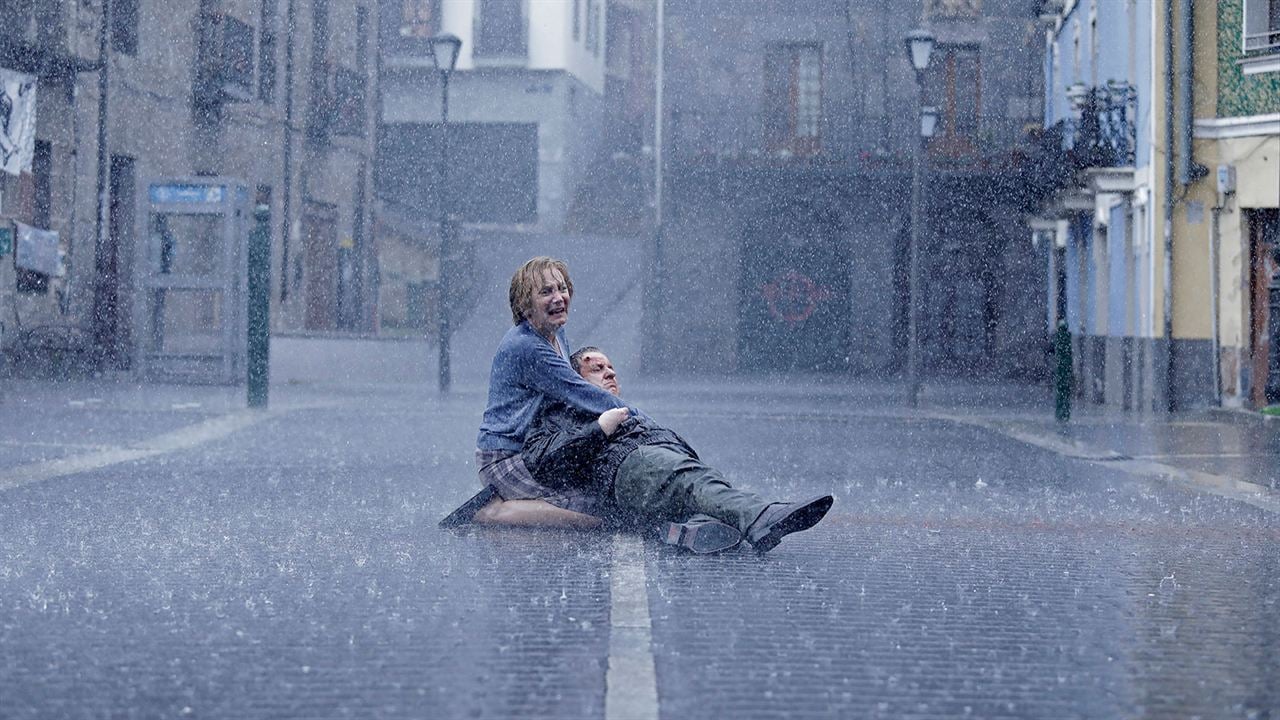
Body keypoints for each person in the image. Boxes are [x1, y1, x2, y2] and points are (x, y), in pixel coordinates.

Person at [520, 347, 833, 553]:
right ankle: (761, 517)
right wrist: (599, 428)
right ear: (573, 380)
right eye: (597, 368)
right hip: (627, 466)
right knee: (692, 482)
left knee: (700, 486)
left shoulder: (623, 409)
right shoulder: (564, 410)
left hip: (650, 468)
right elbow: (542, 460)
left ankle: (684, 529)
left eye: (611, 366)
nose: (610, 372)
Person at [439, 257, 634, 530]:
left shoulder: (557, 334)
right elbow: (579, 393)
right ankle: (492, 513)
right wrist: (635, 417)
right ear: (524, 305)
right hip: (506, 458)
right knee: (589, 514)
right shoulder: (528, 347)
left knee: (593, 493)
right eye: (545, 292)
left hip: (539, 451)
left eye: (562, 288)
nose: (558, 297)